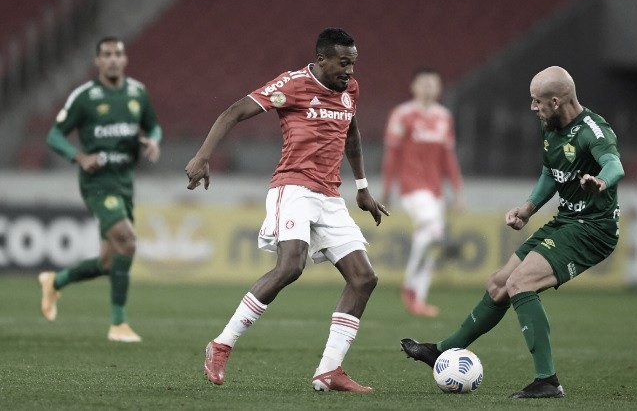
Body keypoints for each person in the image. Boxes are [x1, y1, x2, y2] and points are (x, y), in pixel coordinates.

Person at [185, 28, 389, 393]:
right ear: (322, 59)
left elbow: (352, 134)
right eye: (344, 63)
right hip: (293, 188)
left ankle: (329, 370)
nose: (350, 72)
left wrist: (362, 188)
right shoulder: (292, 85)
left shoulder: (350, 91)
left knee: (364, 278)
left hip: (330, 195)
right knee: (291, 265)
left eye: (354, 64)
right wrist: (202, 156)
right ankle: (221, 343)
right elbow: (234, 112)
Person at [400, 66, 624, 398]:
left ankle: (547, 380)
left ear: (556, 100)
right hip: (567, 221)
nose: (532, 108)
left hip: (593, 229)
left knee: (521, 283)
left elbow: (614, 163)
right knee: (498, 283)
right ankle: (442, 350)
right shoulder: (551, 126)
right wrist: (529, 208)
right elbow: (551, 173)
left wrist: (601, 181)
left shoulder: (593, 130)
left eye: (537, 102)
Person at [39, 36, 162, 343]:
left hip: (124, 181)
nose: (112, 59)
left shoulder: (138, 93)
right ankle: (118, 324)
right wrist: (79, 156)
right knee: (128, 242)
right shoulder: (85, 97)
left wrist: (153, 140)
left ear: (125, 59)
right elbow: (54, 135)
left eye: (117, 54)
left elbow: (154, 125)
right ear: (97, 61)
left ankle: (55, 281)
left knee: (109, 261)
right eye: (106, 54)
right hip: (97, 181)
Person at [381, 67, 463, 317]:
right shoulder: (402, 115)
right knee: (431, 229)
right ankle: (410, 287)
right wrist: (386, 190)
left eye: (433, 84)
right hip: (411, 187)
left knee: (427, 241)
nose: (428, 88)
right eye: (424, 83)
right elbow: (392, 154)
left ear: (438, 88)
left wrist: (457, 190)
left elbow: (447, 158)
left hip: (435, 190)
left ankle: (417, 296)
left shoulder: (444, 117)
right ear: (414, 87)